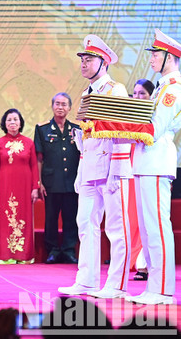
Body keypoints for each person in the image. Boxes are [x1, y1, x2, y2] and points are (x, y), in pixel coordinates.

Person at [59, 35, 132, 299]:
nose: (84, 64)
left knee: (114, 227)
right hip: (90, 167)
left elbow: (122, 133)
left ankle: (117, 284)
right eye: (82, 59)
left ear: (103, 62)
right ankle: (87, 280)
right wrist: (80, 170)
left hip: (111, 168)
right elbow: (87, 136)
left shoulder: (115, 90)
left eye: (89, 60)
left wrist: (116, 170)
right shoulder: (86, 93)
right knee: (85, 224)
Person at [127, 29, 181, 305]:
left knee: (158, 226)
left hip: (156, 160)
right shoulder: (162, 86)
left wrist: (122, 122)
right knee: (149, 228)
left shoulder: (172, 89)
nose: (152, 58)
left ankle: (162, 289)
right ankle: (154, 285)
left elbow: (155, 129)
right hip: (147, 161)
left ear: (170, 58)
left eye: (157, 54)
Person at [34, 92, 80, 265]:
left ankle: (69, 251)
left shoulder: (77, 129)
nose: (60, 107)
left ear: (69, 108)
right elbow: (39, 158)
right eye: (57, 104)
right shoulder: (42, 128)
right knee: (50, 219)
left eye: (64, 104)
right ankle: (52, 251)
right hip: (51, 182)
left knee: (71, 217)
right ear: (52, 106)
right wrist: (39, 182)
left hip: (71, 182)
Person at [0, 109, 39, 264]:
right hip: (5, 185)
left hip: (25, 186)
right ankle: (6, 255)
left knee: (24, 217)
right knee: (7, 217)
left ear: (20, 123)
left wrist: (35, 187)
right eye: (9, 120)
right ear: (4, 124)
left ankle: (24, 256)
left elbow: (34, 166)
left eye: (15, 120)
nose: (12, 122)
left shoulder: (29, 143)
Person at [128, 79, 154, 281]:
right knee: (133, 222)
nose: (137, 97)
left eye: (142, 94)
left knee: (148, 221)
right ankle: (134, 261)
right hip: (129, 174)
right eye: (135, 93)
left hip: (150, 172)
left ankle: (146, 266)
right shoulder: (128, 118)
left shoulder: (155, 118)